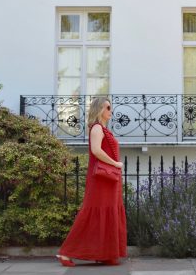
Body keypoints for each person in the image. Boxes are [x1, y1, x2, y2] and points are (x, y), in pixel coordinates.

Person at [56, 97, 127, 267]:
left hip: (109, 179)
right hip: (101, 179)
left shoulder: (103, 129)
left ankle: (105, 254)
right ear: (100, 110)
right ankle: (65, 253)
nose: (111, 111)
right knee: (93, 214)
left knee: (107, 212)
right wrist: (116, 163)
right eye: (108, 107)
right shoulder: (96, 128)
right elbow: (96, 151)